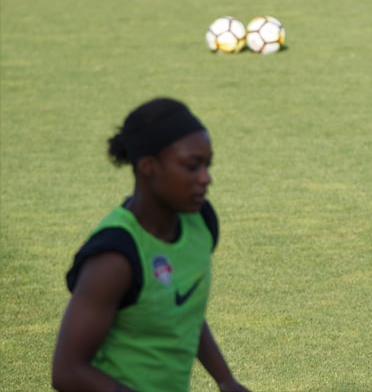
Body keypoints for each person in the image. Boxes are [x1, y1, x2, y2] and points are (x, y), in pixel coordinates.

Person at [52, 97, 251, 392]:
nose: (206, 178)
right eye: (192, 166)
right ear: (148, 166)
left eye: (207, 165)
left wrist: (225, 380)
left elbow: (183, 311)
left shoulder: (201, 223)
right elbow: (67, 372)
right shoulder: (114, 257)